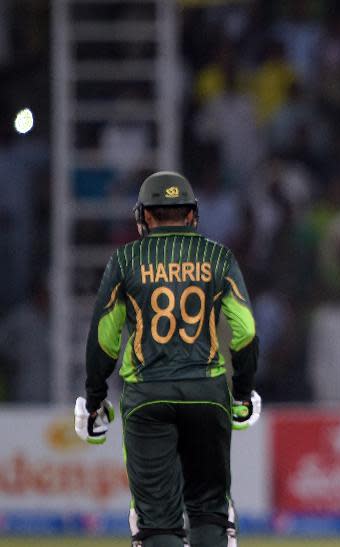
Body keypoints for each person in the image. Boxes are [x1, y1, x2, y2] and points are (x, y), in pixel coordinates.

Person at [74, 171, 261, 547]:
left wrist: (94, 400)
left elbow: (104, 340)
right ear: (192, 214)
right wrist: (241, 392)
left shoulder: (125, 260)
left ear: (143, 216)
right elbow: (246, 331)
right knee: (210, 513)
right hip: (207, 394)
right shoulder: (217, 256)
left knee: (158, 524)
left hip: (147, 395)